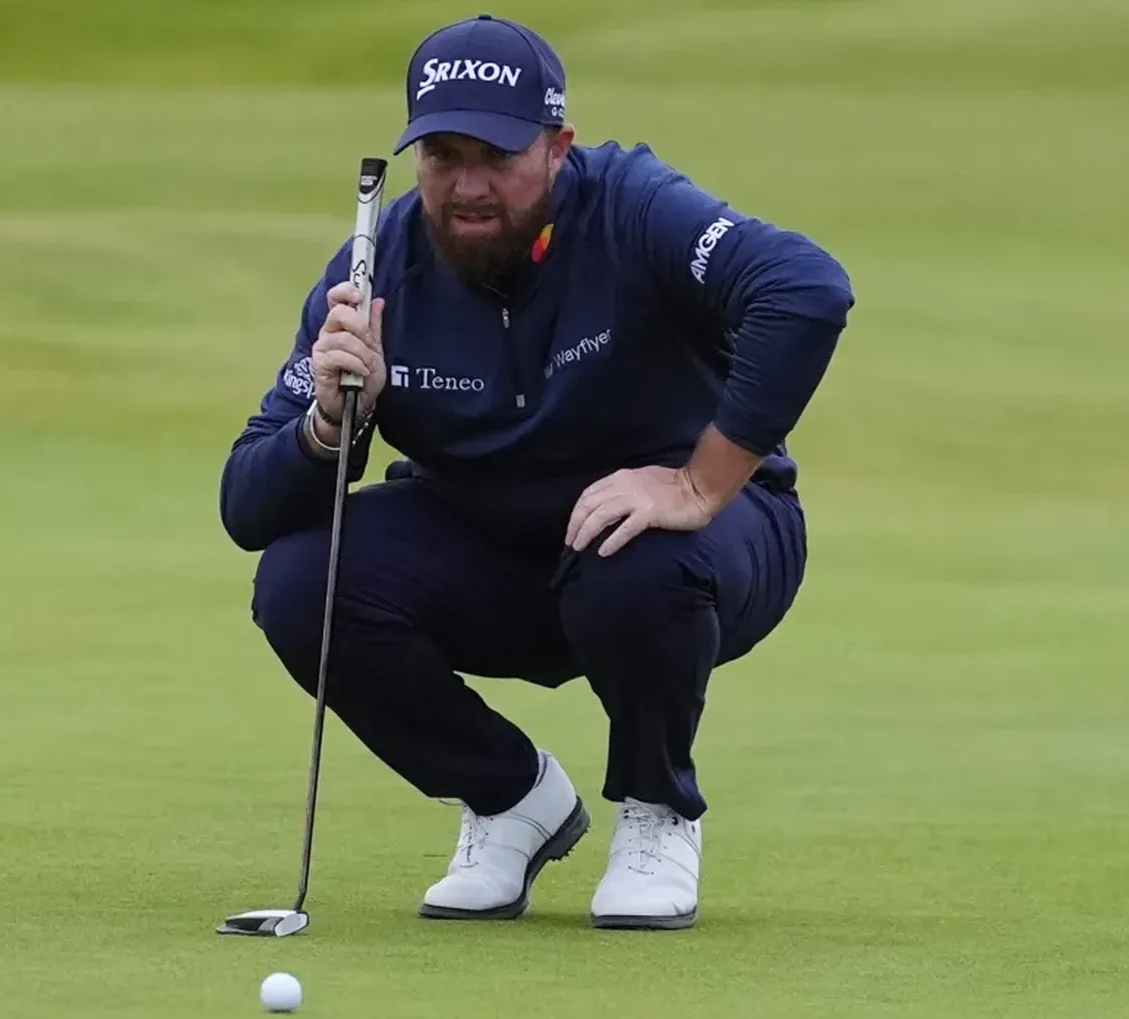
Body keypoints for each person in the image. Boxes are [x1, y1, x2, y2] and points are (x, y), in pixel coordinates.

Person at [218, 13, 854, 930]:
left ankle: (656, 810)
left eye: (498, 156)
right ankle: (513, 801)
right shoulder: (378, 268)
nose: (469, 187)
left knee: (634, 560)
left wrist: (697, 485)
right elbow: (247, 505)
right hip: (494, 552)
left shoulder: (635, 207)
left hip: (700, 551)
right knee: (298, 582)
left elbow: (806, 287)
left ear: (559, 147)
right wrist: (328, 420)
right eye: (442, 156)